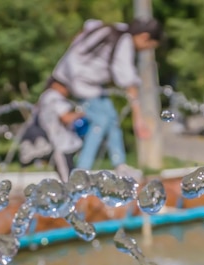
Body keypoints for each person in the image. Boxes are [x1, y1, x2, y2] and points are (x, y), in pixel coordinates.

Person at [50, 17, 163, 180]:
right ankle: (82, 170)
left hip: (77, 76)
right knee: (101, 121)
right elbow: (128, 81)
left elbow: (89, 25)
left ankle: (119, 164)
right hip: (82, 81)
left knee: (111, 117)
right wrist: (138, 118)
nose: (146, 50)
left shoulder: (117, 29)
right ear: (145, 36)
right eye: (149, 47)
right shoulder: (125, 41)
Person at [36, 80, 89, 182]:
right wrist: (82, 114)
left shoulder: (45, 97)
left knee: (70, 177)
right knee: (68, 180)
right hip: (61, 144)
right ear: (56, 84)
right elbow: (65, 117)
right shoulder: (54, 96)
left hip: (56, 142)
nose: (68, 90)